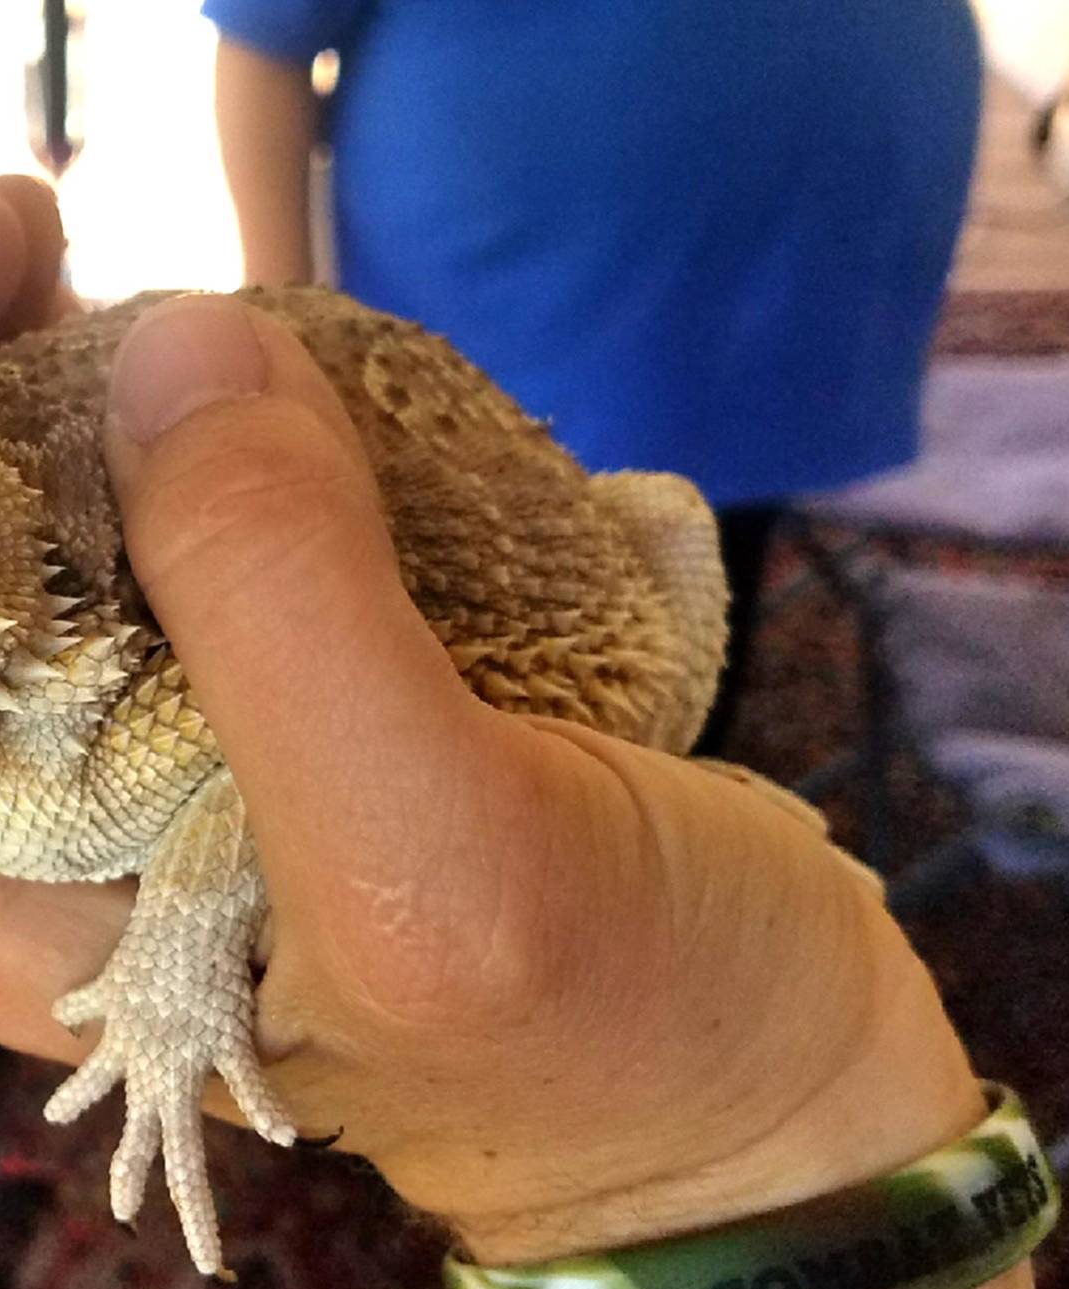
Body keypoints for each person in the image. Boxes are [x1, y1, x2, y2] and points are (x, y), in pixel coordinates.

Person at [0, 177, 1050, 1289]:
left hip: (468, 541)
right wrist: (757, 1143)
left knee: (655, 543)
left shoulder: (72, 692)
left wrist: (185, 946)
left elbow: (217, 750)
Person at [206, 0, 984, 750]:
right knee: (476, 695)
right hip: (515, 333)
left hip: (799, 292)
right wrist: (283, 324)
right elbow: (261, 42)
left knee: (680, 655)